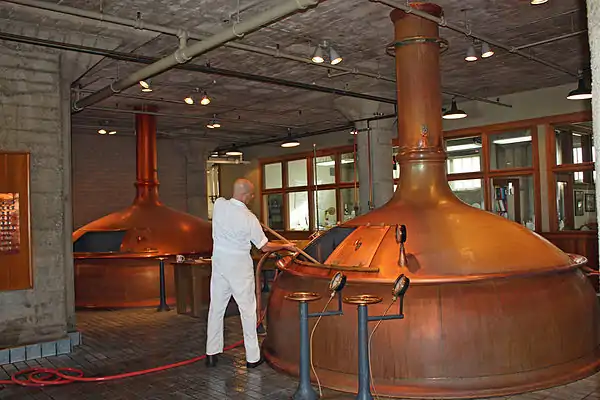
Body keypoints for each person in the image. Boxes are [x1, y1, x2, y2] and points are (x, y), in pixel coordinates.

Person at [205, 178, 297, 368]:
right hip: (239, 266)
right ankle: (252, 358)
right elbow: (264, 247)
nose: (252, 197)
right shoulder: (249, 218)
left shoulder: (219, 205)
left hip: (219, 264)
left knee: (216, 308)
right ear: (245, 195)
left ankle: (211, 353)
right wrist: (285, 245)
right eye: (251, 195)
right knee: (247, 310)